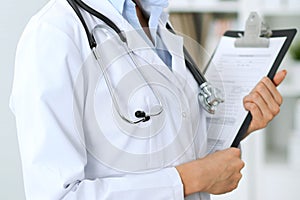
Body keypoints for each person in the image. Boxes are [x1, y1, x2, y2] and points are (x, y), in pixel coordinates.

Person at [10, 0, 286, 199]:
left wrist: (241, 122)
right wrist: (190, 179)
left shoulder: (157, 20)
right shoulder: (54, 34)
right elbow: (57, 195)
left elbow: (175, 139)